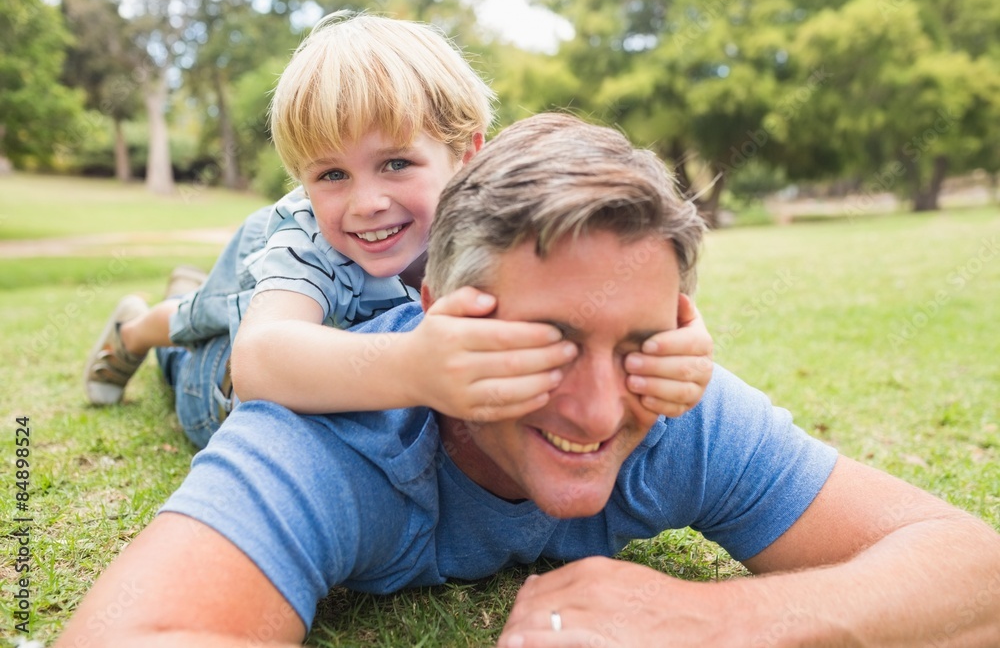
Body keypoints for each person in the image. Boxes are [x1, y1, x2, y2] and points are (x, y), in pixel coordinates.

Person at [57, 114, 1000, 647]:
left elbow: (974, 568)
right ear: (440, 313)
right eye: (543, 345)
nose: (598, 408)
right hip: (227, 368)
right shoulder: (328, 431)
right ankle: (164, 318)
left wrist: (718, 620)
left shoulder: (675, 398)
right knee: (198, 347)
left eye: (637, 342)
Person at [82, 13, 713, 449]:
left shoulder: (495, 219)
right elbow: (259, 359)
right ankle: (136, 329)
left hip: (300, 307)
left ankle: (186, 292)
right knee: (204, 319)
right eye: (331, 174)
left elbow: (596, 280)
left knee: (219, 303)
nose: (366, 203)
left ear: (466, 155)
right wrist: (415, 366)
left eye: (395, 163)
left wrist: (673, 340)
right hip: (222, 382)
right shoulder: (310, 239)